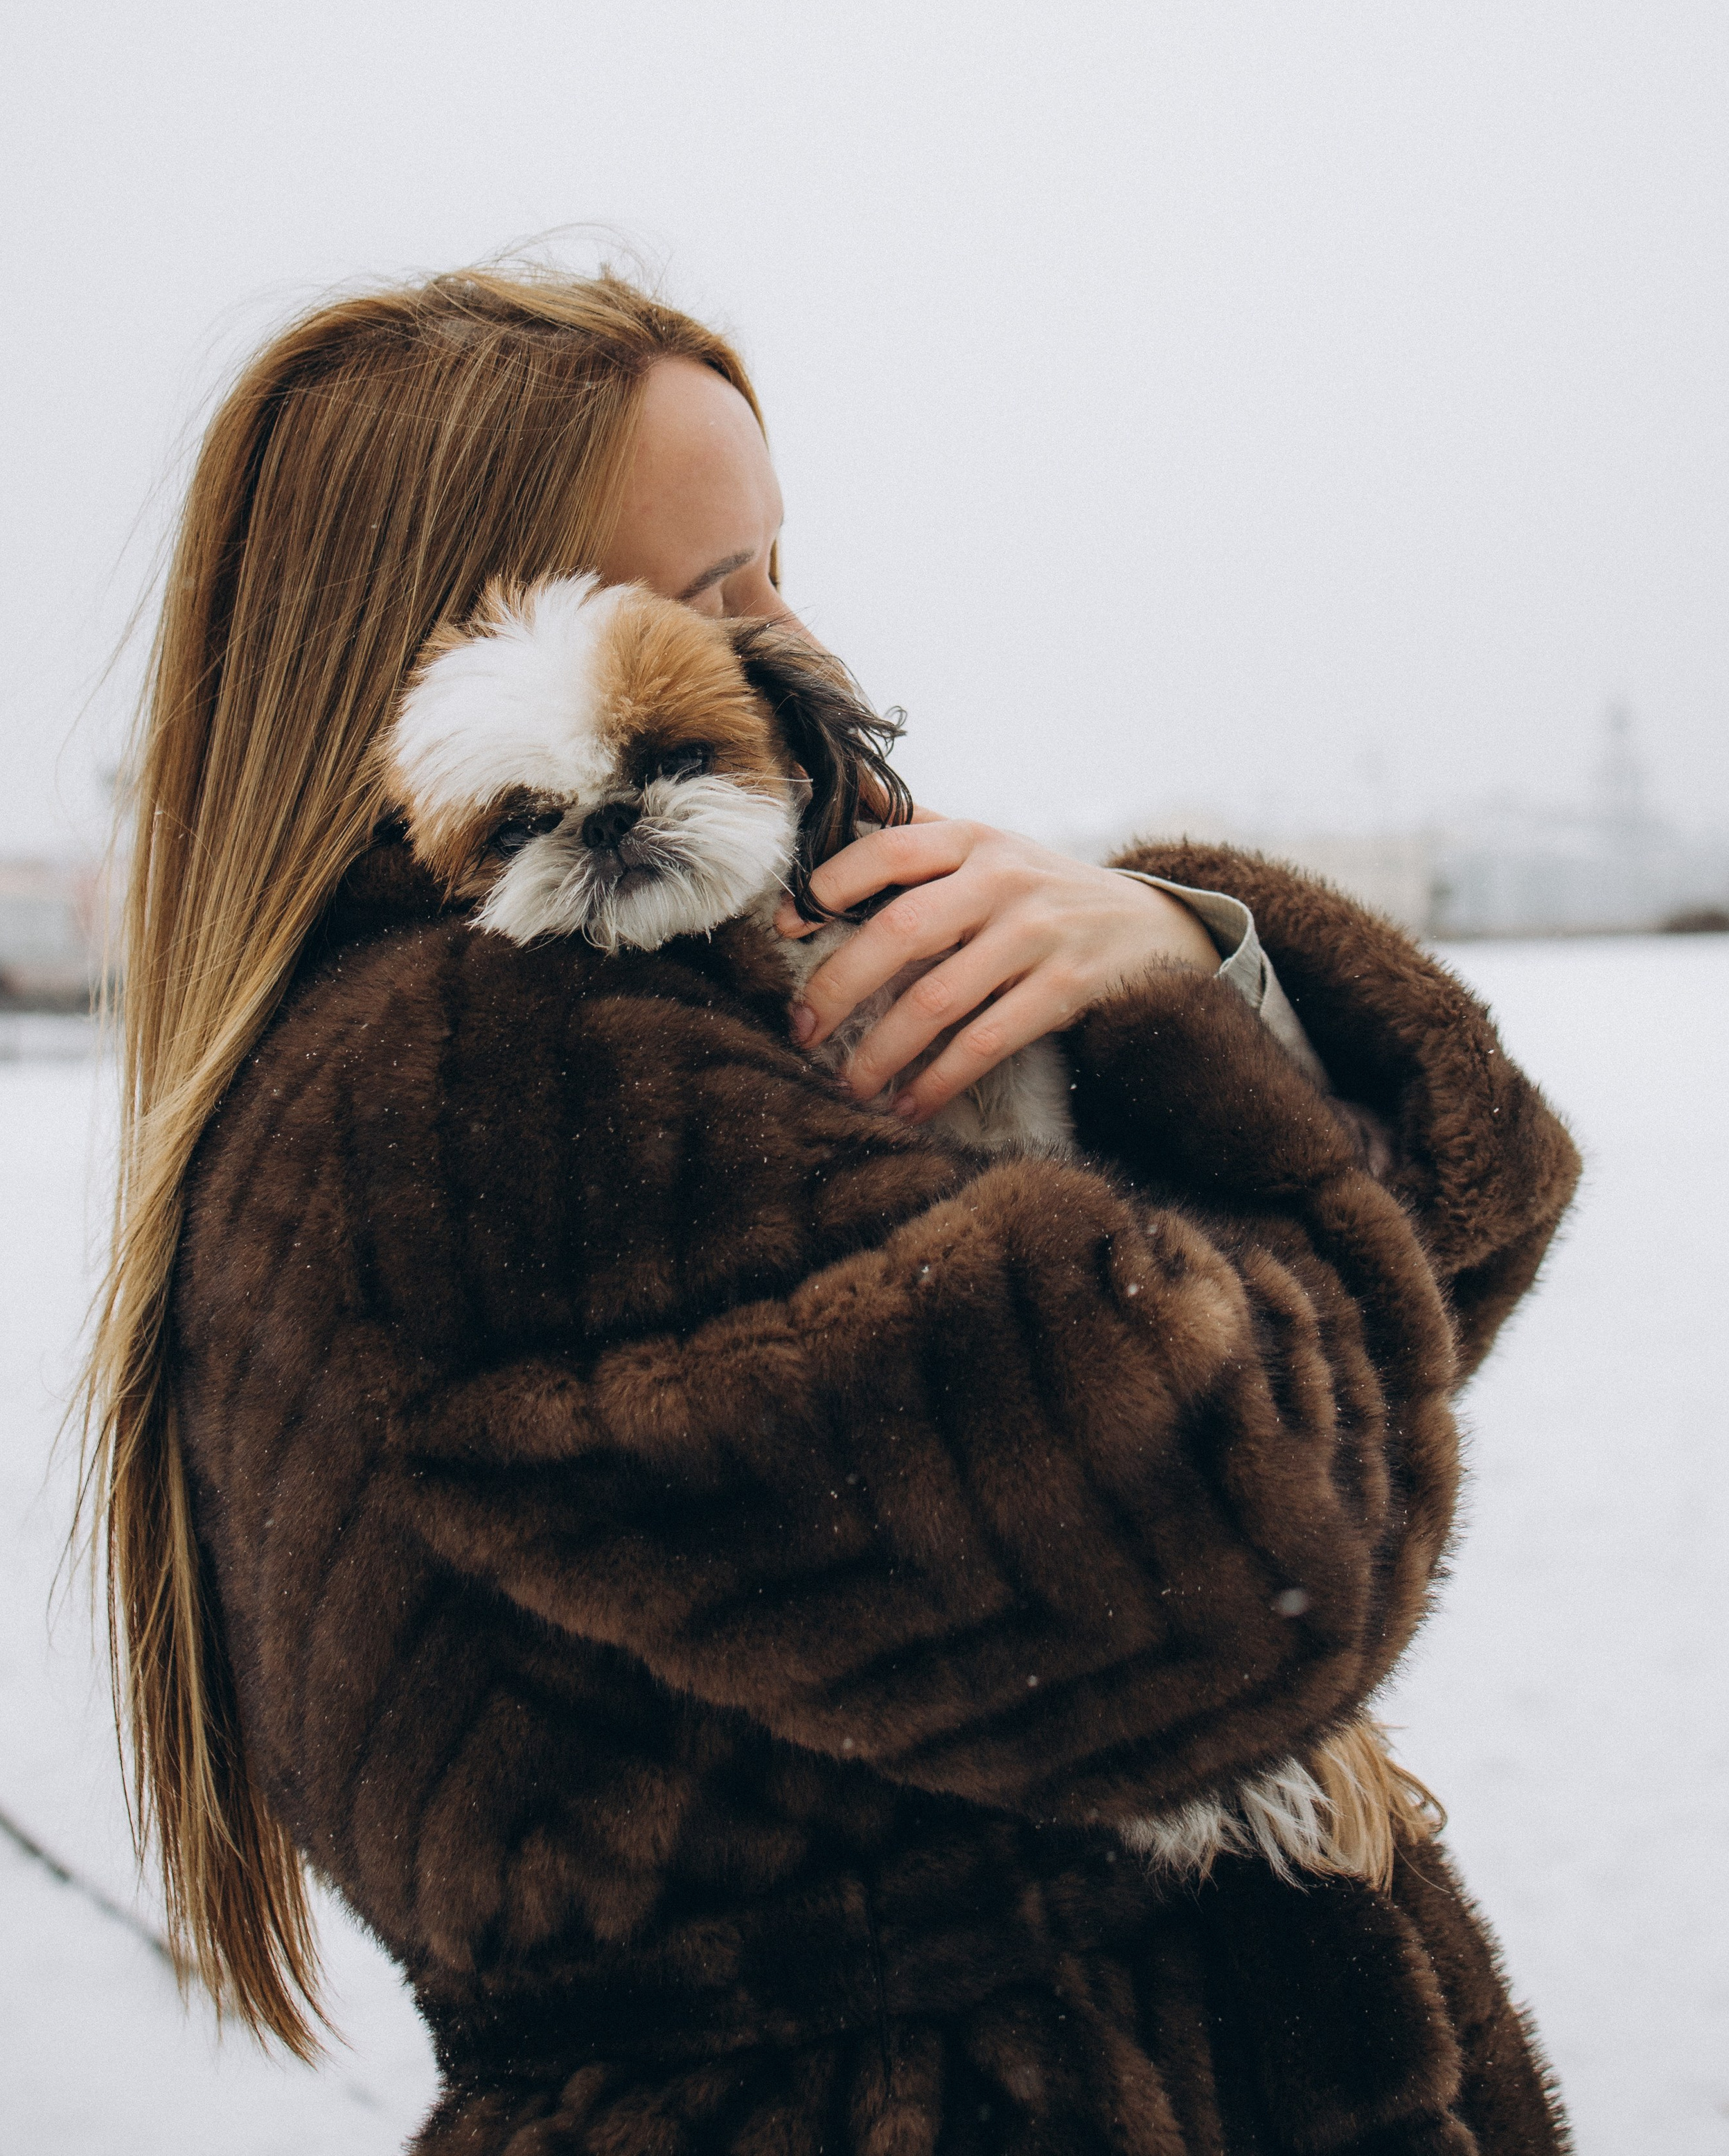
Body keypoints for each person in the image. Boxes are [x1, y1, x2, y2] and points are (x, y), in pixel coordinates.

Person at [82, 264, 1579, 2154]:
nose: (801, 640)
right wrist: (1188, 1062)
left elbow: (1468, 1217)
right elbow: (1260, 1565)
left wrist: (1190, 965)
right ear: (479, 660)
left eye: (780, 564)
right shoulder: (483, 1090)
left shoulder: (740, 980)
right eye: (717, 595)